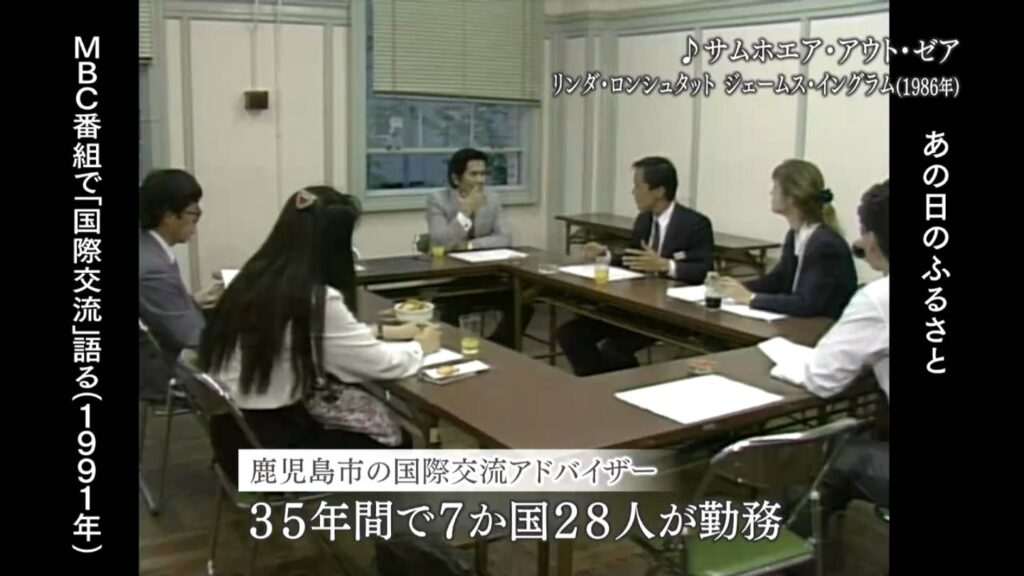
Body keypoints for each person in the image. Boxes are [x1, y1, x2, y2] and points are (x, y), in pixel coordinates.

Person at [199, 186, 441, 455]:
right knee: (399, 441)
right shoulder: (316, 299)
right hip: (273, 446)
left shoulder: (252, 277)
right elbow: (379, 364)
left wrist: (382, 331)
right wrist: (420, 347)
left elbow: (313, 335)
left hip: (232, 436)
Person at [556, 156, 714, 376]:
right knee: (570, 334)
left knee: (614, 351)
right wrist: (606, 255)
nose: (633, 192)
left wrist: (666, 265)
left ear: (658, 191)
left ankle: (621, 387)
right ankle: (597, 385)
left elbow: (703, 271)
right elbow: (633, 259)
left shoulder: (695, 224)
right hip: (636, 305)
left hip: (671, 312)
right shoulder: (644, 220)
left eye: (638, 186)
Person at [717, 159, 857, 319]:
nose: (771, 193)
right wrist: (733, 288)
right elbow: (778, 280)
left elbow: (807, 303)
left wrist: (751, 298)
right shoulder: (795, 235)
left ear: (791, 197)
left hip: (822, 326)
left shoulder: (825, 244)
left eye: (776, 187)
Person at [426, 147, 533, 347]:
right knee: (450, 307)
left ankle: (498, 348)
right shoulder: (437, 200)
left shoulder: (492, 199)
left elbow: (505, 238)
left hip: (486, 275)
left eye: (483, 174)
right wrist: (465, 212)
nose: (481, 180)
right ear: (456, 178)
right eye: (474, 174)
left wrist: (469, 245)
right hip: (452, 278)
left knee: (523, 303)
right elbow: (441, 242)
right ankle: (451, 351)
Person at [139, 169, 220, 402]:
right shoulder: (153, 269)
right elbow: (192, 336)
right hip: (164, 374)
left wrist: (194, 302)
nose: (195, 223)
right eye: (193, 214)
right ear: (168, 216)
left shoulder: (148, 250)